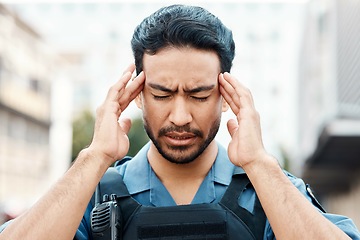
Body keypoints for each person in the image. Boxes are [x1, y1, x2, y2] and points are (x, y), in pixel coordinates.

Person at [0, 4, 359, 240]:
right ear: (137, 94)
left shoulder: (269, 192)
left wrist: (259, 164)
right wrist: (95, 156)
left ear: (226, 95)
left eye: (199, 95)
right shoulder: (93, 196)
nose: (180, 116)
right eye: (162, 94)